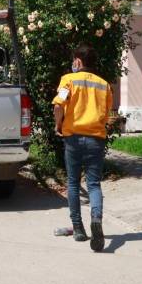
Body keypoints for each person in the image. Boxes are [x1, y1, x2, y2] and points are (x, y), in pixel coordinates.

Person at [52, 43, 113, 252]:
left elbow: (58, 105)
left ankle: (78, 228)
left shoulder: (68, 80)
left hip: (73, 138)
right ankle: (96, 218)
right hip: (96, 139)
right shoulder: (104, 85)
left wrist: (57, 125)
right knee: (94, 184)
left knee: (73, 183)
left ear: (78, 61)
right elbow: (106, 115)